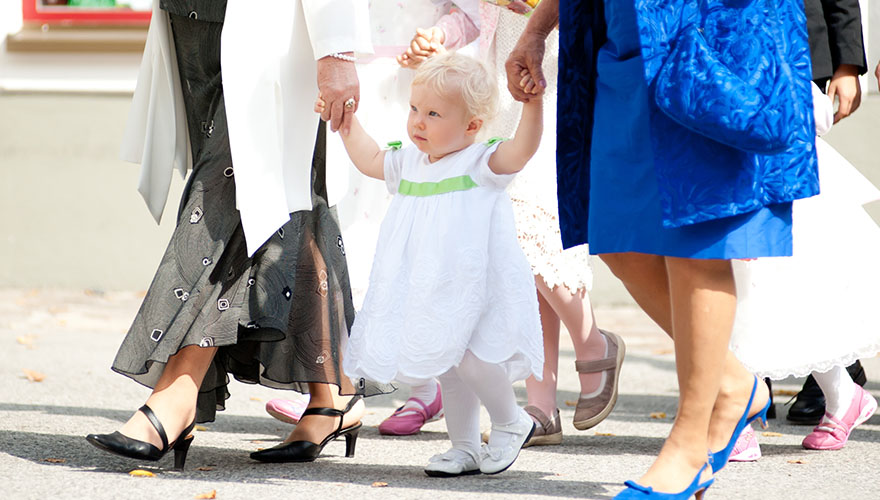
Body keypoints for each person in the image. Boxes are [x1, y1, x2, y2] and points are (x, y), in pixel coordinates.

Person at [507, 0, 817, 498]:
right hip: (619, 38)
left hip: (709, 30)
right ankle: (734, 385)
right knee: (614, 234)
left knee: (698, 234)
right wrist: (540, 27)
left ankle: (689, 448)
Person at [85, 0, 390, 469]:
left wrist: (337, 50)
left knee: (231, 191)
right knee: (288, 195)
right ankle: (333, 392)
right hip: (191, 15)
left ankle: (176, 396)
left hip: (270, 21)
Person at [401, 0, 623, 447]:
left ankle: (592, 343)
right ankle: (541, 402)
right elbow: (469, 11)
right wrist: (441, 37)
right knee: (515, 241)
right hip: (503, 73)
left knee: (533, 217)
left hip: (560, 55)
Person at [262, 0, 481, 437]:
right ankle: (331, 384)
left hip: (415, 98)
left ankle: (423, 384)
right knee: (345, 232)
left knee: (404, 241)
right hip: (349, 84)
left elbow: (473, 13)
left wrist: (440, 36)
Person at [324, 52, 545, 477]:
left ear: (472, 126)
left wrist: (531, 105)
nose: (418, 122)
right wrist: (347, 123)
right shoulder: (409, 162)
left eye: (433, 114)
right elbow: (370, 159)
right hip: (430, 285)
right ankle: (463, 448)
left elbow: (522, 150)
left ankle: (511, 420)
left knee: (473, 358)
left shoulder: (481, 162)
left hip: (472, 284)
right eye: (414, 109)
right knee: (450, 368)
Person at [729, 82, 880, 453]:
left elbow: (818, 114)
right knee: (740, 294)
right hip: (715, 169)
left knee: (776, 291)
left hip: (774, 176)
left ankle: (736, 415)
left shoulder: (771, 33)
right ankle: (841, 394)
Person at [787, 0, 871, 425]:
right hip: (718, 47)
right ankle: (750, 380)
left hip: (802, 51)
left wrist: (847, 64)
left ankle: (838, 363)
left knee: (805, 221)